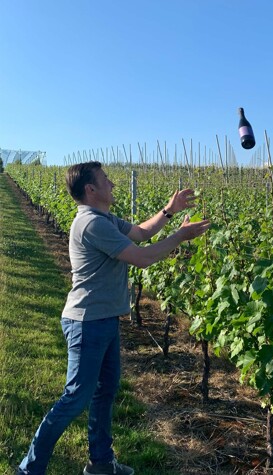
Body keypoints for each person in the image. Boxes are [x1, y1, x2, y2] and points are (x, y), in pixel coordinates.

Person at [17, 161, 210, 475]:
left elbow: (142, 232)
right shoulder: (92, 224)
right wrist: (179, 237)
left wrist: (169, 210)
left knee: (105, 391)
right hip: (86, 322)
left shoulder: (104, 219)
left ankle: (101, 463)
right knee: (75, 398)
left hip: (104, 319)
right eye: (106, 180)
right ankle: (29, 469)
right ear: (91, 189)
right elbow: (143, 258)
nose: (113, 185)